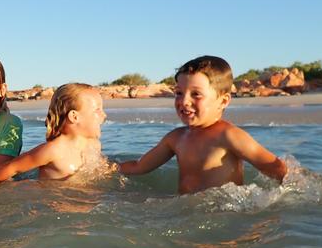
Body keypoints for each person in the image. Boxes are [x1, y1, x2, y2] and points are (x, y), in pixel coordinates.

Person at [118, 55, 288, 194]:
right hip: (185, 213)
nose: (184, 101)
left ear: (223, 101)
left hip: (224, 217)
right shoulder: (175, 138)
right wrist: (107, 168)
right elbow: (139, 166)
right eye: (179, 93)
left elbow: (276, 168)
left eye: (196, 94)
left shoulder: (228, 136)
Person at [0, 83, 106, 182]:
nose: (104, 115)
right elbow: (11, 168)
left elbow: (103, 171)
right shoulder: (54, 150)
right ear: (74, 116)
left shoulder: (94, 145)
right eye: (98, 110)